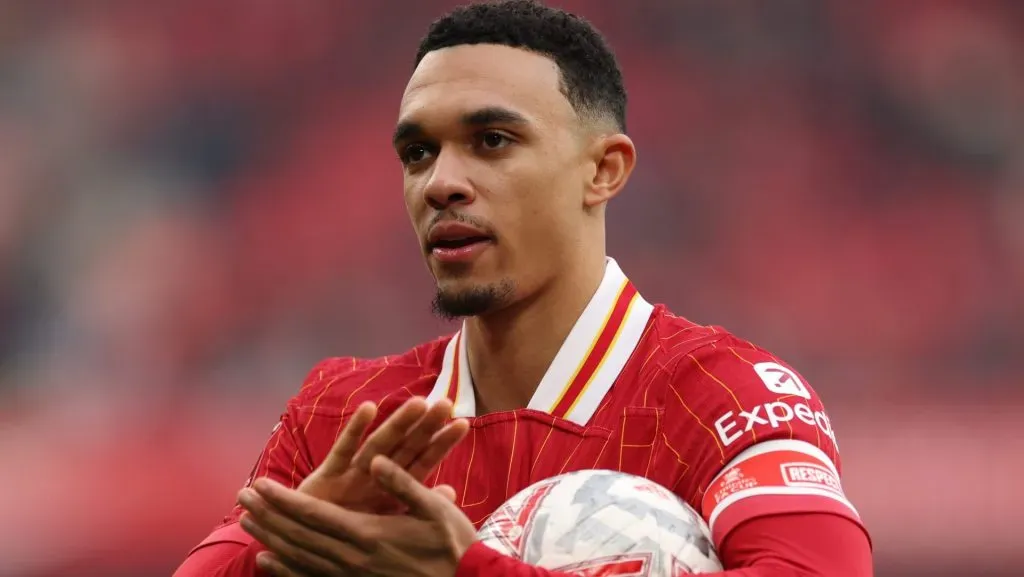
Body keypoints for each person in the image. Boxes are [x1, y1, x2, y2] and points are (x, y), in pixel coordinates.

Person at [173, 1, 873, 576]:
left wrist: (471, 571)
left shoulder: (729, 397)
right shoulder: (344, 417)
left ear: (604, 169)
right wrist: (274, 554)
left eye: (493, 140)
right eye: (417, 152)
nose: (440, 181)